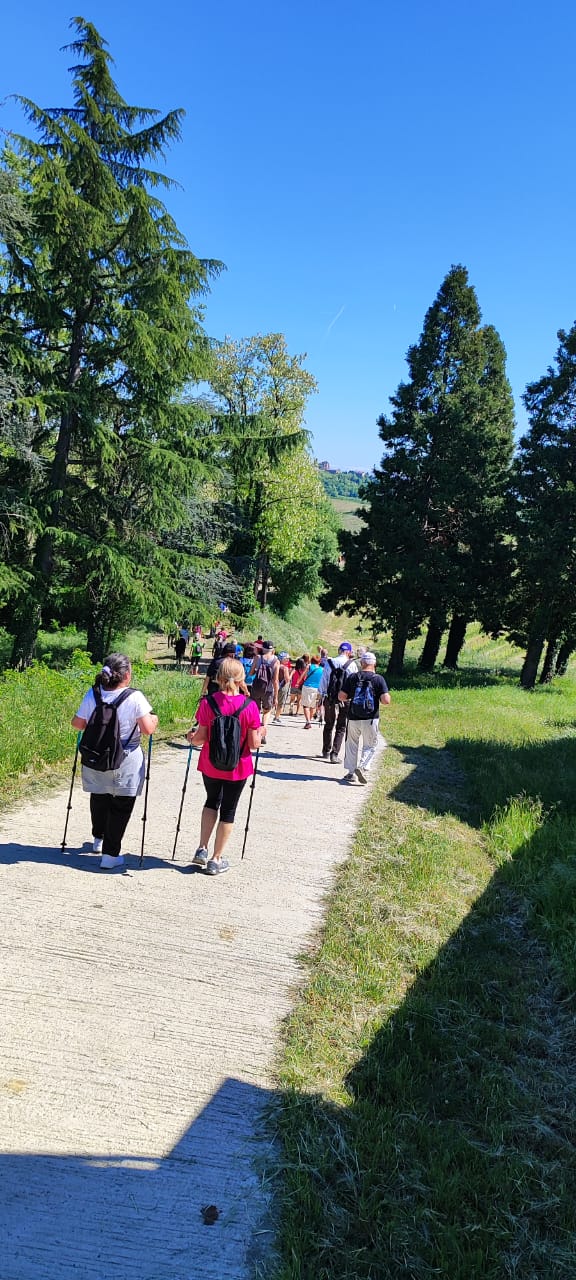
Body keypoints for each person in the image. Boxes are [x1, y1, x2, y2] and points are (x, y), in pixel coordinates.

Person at [71, 653, 158, 869]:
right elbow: (148, 729)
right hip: (126, 757)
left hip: (96, 756)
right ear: (126, 675)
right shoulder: (134, 697)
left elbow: (77, 724)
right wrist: (154, 718)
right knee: (121, 805)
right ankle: (110, 855)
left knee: (99, 797)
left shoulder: (93, 694)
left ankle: (98, 840)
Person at [187, 658, 262, 875]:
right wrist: (262, 732)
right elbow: (253, 744)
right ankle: (216, 859)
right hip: (238, 767)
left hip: (211, 764)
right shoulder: (250, 706)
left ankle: (202, 848)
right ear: (242, 678)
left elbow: (199, 739)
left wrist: (190, 737)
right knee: (228, 810)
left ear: (218, 677)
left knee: (211, 801)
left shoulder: (208, 703)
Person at [338, 651, 390, 783]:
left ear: (361, 663)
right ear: (374, 664)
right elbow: (385, 701)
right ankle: (362, 766)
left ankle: (351, 773)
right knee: (370, 745)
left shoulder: (353, 677)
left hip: (353, 717)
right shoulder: (379, 679)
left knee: (351, 744)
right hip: (371, 718)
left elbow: (341, 696)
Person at [318, 641, 358, 762]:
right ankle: (334, 754)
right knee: (341, 726)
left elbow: (324, 680)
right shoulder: (352, 665)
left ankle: (326, 750)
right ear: (349, 652)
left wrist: (321, 696)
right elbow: (354, 683)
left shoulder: (329, 662)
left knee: (328, 724)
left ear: (339, 651)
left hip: (329, 698)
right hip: (345, 699)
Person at [249, 641, 279, 744]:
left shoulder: (257, 658)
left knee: (256, 710)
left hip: (256, 688)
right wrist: (276, 696)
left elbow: (251, 672)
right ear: (272, 649)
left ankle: (255, 731)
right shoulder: (275, 661)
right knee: (267, 711)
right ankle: (263, 731)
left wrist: (258, 670)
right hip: (268, 690)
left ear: (263, 648)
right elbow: (275, 680)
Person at [301, 655, 323, 729]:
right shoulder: (322, 669)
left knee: (305, 705)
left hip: (307, 686)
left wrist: (298, 682)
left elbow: (303, 675)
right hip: (317, 688)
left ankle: (308, 722)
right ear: (319, 662)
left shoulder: (309, 666)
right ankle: (309, 720)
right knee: (312, 706)